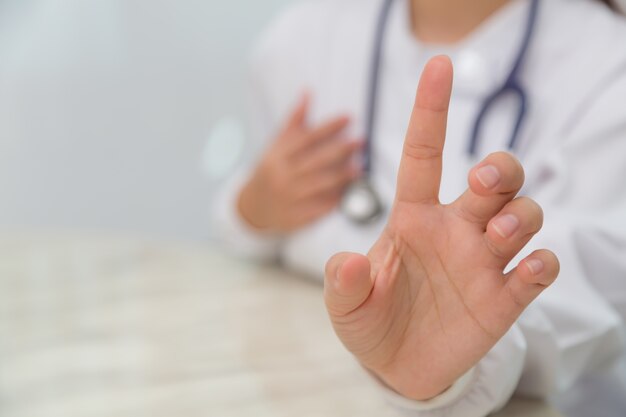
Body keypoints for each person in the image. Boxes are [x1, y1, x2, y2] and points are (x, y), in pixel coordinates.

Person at [211, 0, 626, 415]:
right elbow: (246, 234)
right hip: (287, 385)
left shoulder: (607, 66)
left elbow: (589, 291)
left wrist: (462, 354)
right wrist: (251, 210)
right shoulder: (300, 39)